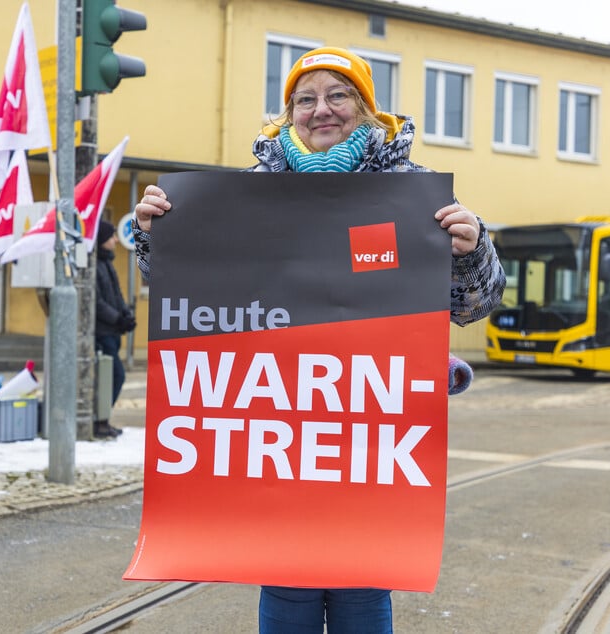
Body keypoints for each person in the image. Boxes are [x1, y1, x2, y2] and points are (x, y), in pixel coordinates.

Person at [133, 46, 506, 633]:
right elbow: (192, 295)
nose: (321, 109)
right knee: (286, 577)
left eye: (339, 95)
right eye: (305, 99)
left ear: (365, 109)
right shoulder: (251, 191)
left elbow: (476, 305)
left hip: (368, 427)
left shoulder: (412, 193)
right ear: (289, 115)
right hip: (283, 424)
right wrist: (161, 237)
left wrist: (471, 250)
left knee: (363, 582)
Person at [94, 220, 136, 440]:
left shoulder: (107, 263)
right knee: (114, 376)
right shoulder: (94, 265)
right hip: (102, 333)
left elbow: (116, 294)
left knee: (112, 377)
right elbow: (97, 301)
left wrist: (125, 314)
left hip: (111, 331)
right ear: (103, 239)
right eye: (112, 236)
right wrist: (116, 318)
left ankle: (103, 420)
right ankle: (99, 421)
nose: (116, 239)